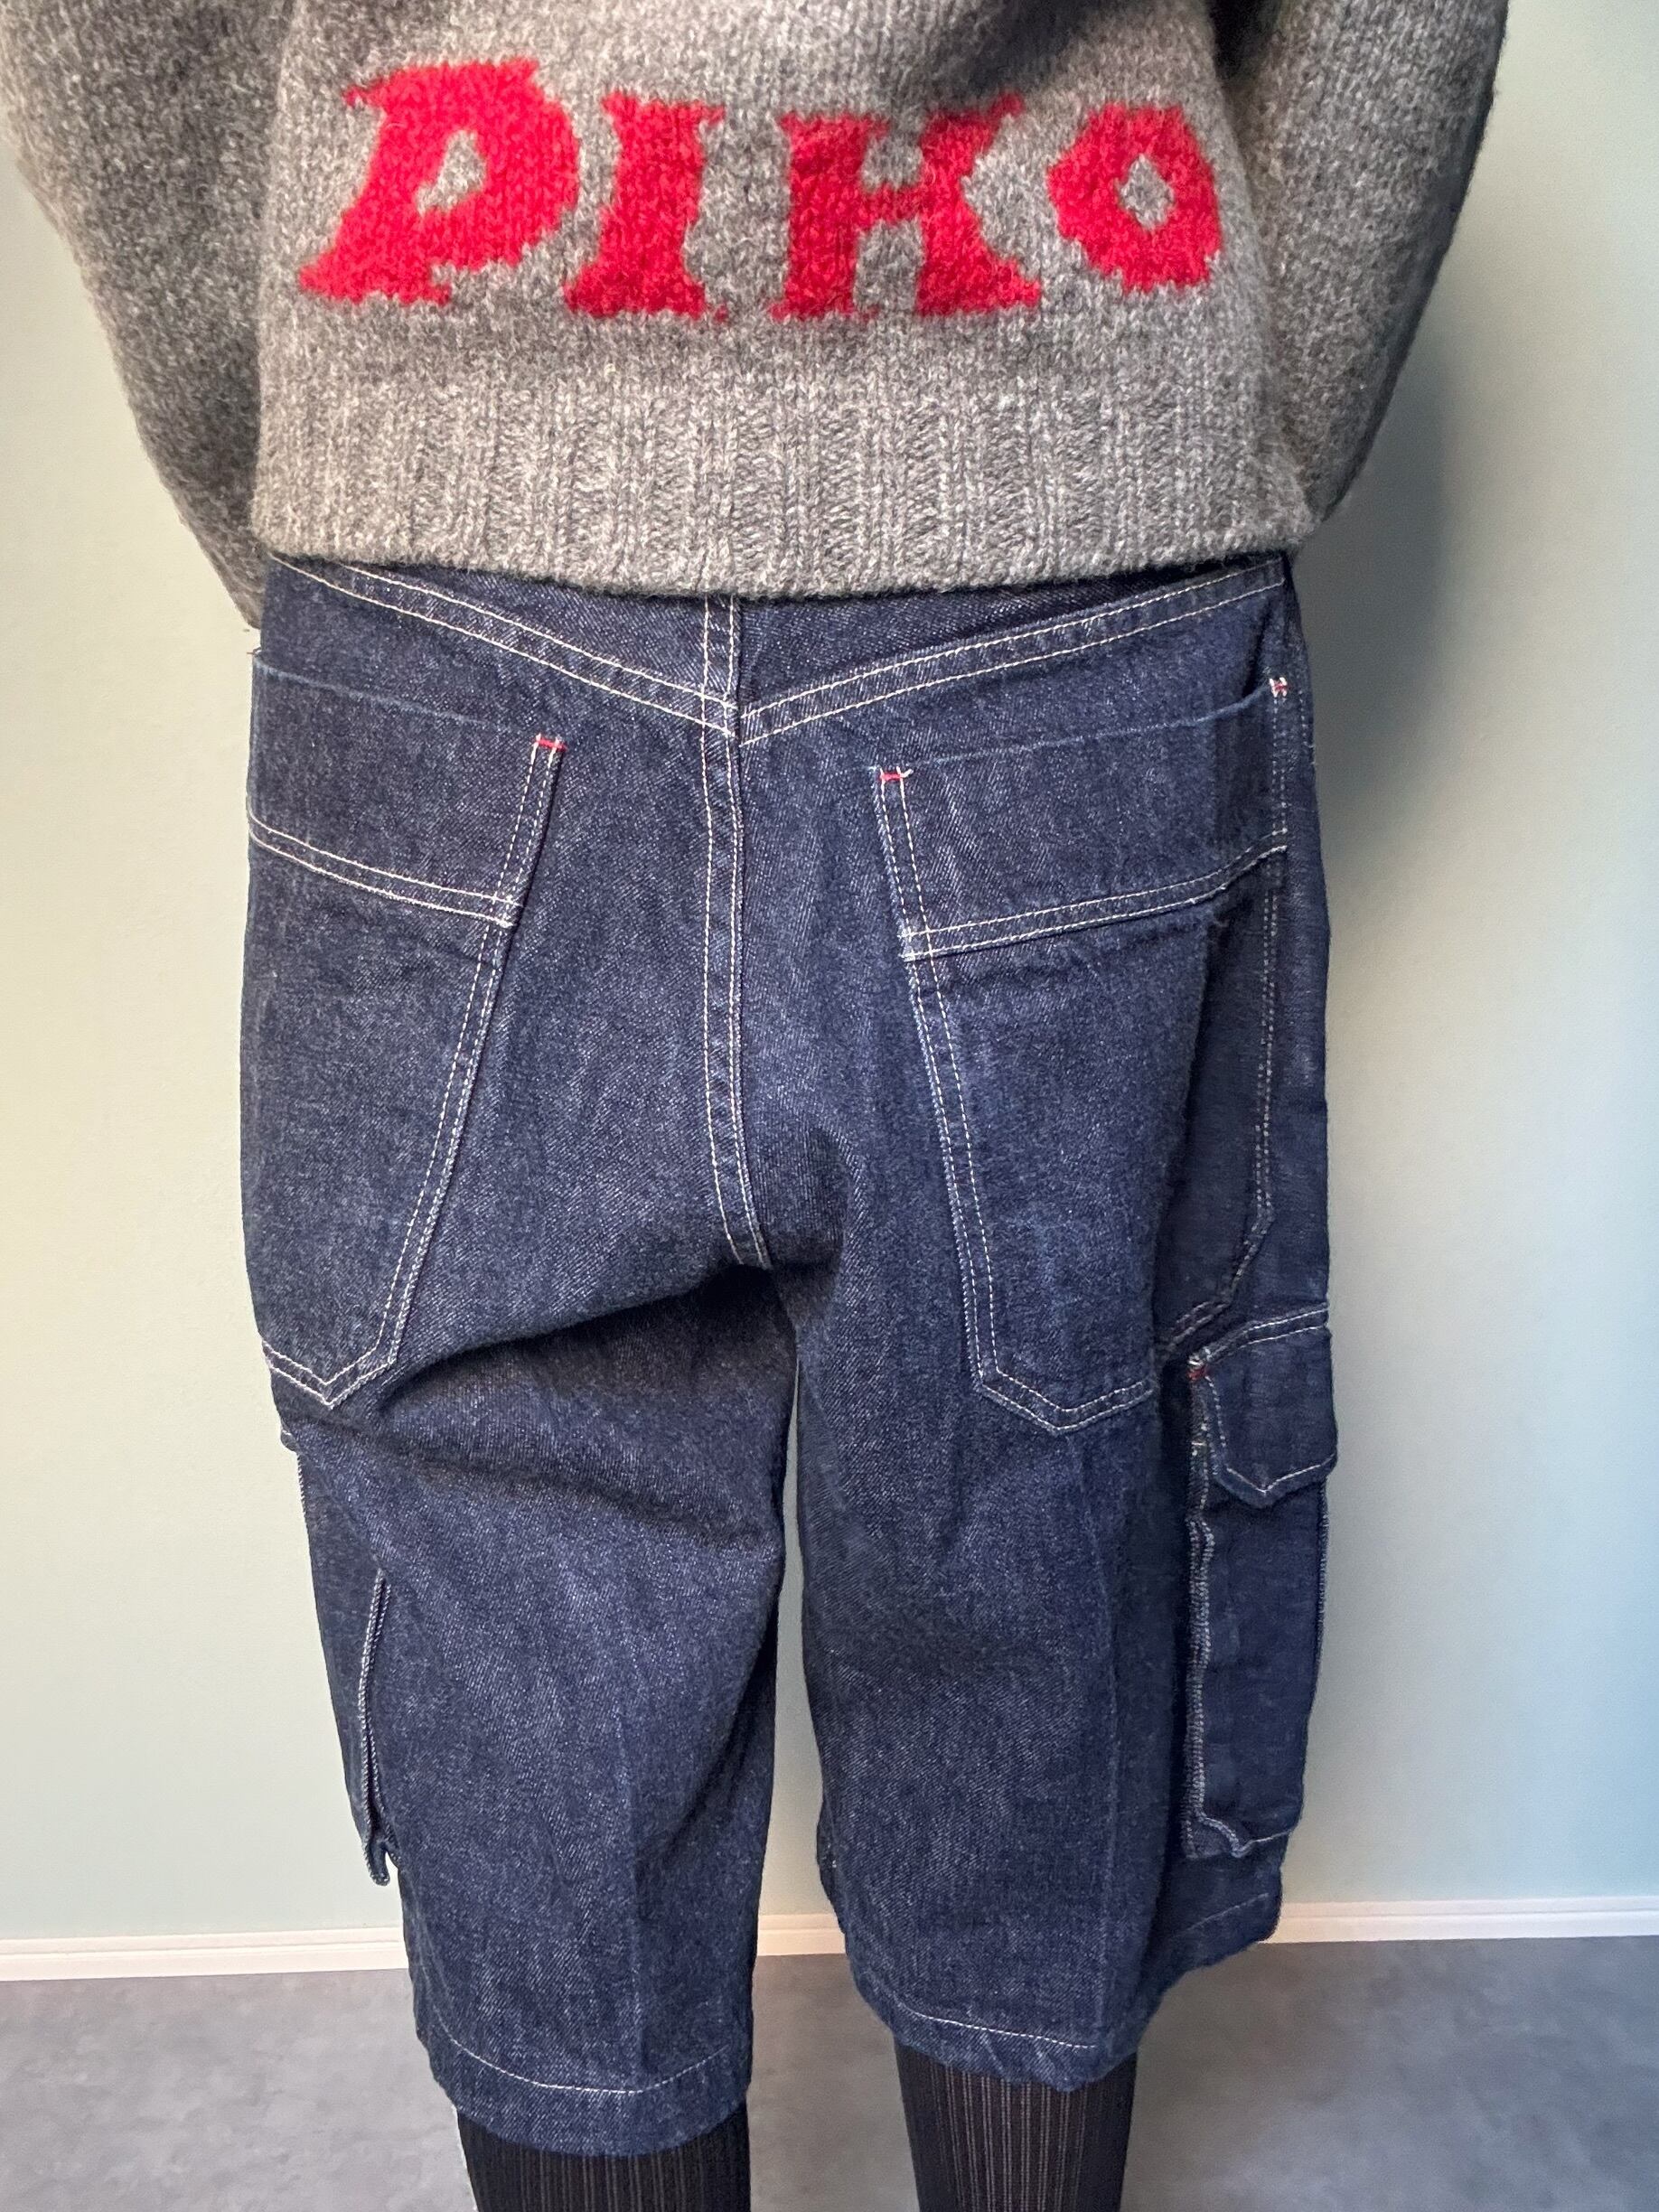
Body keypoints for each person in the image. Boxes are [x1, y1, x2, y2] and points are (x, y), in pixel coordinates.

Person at [1, 5, 1506, 2207]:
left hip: (442, 538)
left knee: (524, 1576)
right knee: (1049, 1526)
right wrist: (1199, 428)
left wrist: (349, 446)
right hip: (1060, 519)